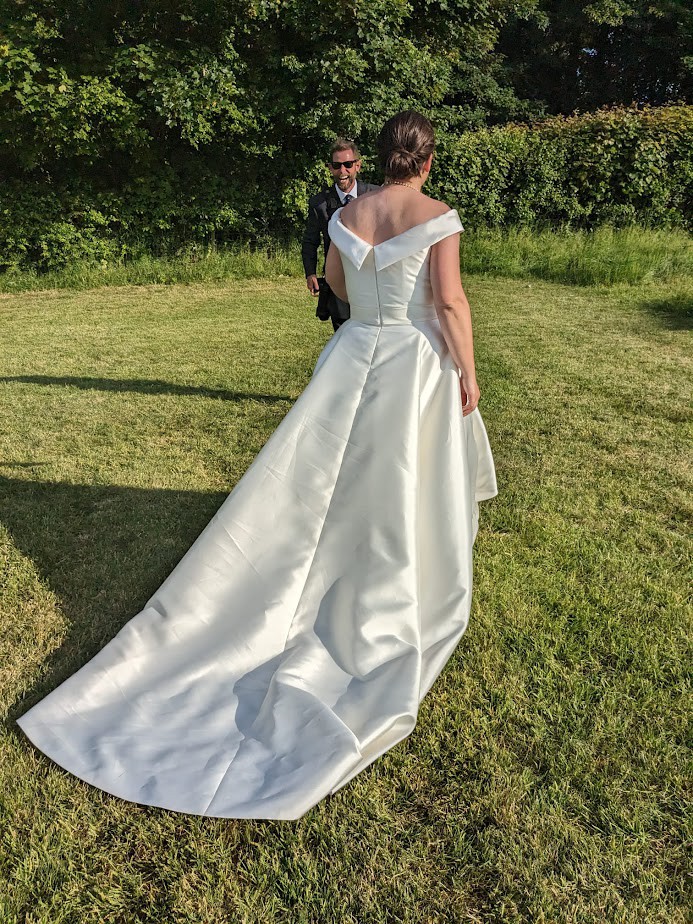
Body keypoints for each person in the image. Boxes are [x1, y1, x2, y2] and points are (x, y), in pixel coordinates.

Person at [17, 111, 497, 821]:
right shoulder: (438, 216)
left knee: (322, 478)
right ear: (426, 160)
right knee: (400, 477)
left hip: (354, 352)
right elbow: (449, 301)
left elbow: (337, 285)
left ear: (378, 158)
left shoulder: (347, 214)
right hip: (412, 361)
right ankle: (393, 577)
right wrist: (468, 371)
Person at [302, 138, 379, 330]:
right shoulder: (319, 204)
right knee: (343, 334)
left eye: (348, 164)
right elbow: (310, 241)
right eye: (337, 165)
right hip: (337, 282)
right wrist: (310, 273)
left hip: (372, 281)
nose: (342, 171)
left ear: (357, 165)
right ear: (330, 168)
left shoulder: (376, 196)